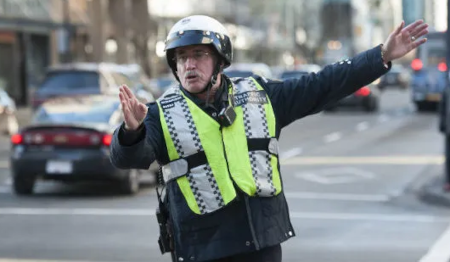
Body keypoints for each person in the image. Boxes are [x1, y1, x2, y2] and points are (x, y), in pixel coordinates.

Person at [110, 15, 428, 262]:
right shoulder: (159, 113)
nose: (189, 64)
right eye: (181, 58)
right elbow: (129, 159)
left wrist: (381, 55)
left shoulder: (260, 95)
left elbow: (323, 85)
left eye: (198, 54)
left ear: (220, 59)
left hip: (259, 241)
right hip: (201, 247)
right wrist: (132, 132)